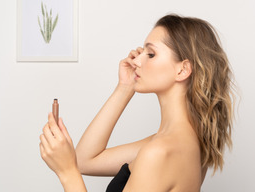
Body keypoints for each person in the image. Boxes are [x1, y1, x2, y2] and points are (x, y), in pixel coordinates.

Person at [39, 14, 235, 192]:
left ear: (182, 70)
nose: (136, 61)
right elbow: (84, 160)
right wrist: (125, 87)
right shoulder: (182, 142)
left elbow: (75, 167)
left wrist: (67, 173)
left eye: (150, 54)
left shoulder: (159, 152)